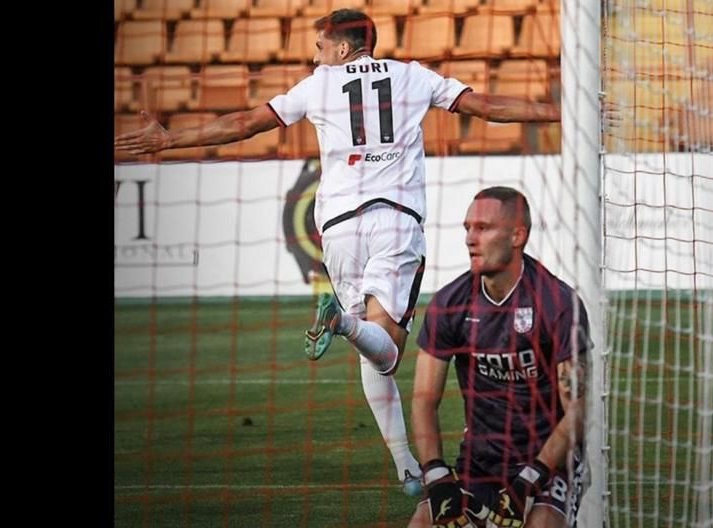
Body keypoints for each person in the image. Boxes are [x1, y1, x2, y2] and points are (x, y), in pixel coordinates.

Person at [114, 9, 561, 496]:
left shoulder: (317, 85)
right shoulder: (413, 75)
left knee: (371, 351)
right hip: (395, 218)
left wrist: (170, 139)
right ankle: (344, 325)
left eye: (320, 48)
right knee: (386, 353)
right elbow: (488, 105)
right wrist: (563, 113)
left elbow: (244, 123)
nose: (315, 57)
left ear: (343, 48)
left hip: (339, 227)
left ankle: (406, 467)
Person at [409, 187, 590, 528]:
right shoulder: (450, 304)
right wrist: (436, 475)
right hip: (480, 463)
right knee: (422, 522)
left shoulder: (558, 303)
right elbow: (423, 400)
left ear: (517, 236)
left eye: (483, 228)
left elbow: (577, 412)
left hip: (550, 463)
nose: (470, 239)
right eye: (467, 228)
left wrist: (529, 481)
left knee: (541, 523)